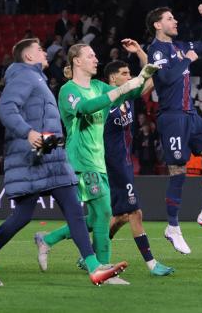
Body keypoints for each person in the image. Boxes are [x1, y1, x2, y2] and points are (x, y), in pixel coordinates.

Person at [0, 39, 127, 287]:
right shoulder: (24, 76)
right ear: (28, 57)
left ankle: (94, 268)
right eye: (39, 50)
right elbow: (6, 107)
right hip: (31, 159)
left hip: (51, 157)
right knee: (22, 217)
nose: (44, 52)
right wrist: (28, 132)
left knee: (74, 212)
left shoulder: (37, 79)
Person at [34, 43, 156, 285]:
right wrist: (119, 90)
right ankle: (103, 269)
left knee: (95, 217)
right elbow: (86, 108)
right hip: (81, 161)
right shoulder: (68, 90)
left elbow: (130, 92)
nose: (95, 59)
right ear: (76, 61)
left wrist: (143, 76)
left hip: (98, 161)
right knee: (104, 213)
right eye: (90, 55)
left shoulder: (99, 86)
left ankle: (47, 240)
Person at [147, 4, 202, 257]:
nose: (175, 22)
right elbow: (167, 79)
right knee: (179, 171)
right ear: (157, 25)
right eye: (169, 19)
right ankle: (172, 227)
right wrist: (186, 61)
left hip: (191, 115)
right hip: (171, 116)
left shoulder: (181, 46)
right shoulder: (156, 50)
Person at [103, 54, 174, 276]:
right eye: (124, 74)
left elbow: (149, 79)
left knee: (120, 216)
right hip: (112, 165)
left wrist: (164, 63)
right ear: (113, 78)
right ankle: (152, 265)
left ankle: (90, 255)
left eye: (130, 73)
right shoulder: (103, 101)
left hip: (123, 163)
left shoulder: (129, 96)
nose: (130, 76)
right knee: (135, 213)